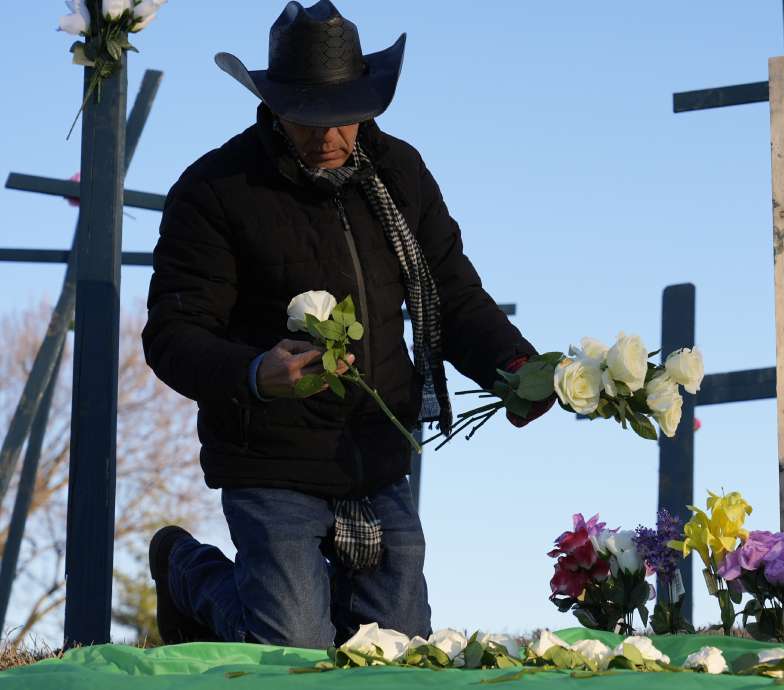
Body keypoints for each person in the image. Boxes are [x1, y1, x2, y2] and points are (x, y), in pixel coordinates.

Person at [141, 0, 550, 648]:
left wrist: (517, 369)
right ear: (275, 104)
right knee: (294, 654)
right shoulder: (215, 189)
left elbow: (452, 294)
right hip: (268, 456)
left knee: (395, 655)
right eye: (308, 118)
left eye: (343, 117)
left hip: (378, 456)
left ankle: (306, 597)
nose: (327, 136)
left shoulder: (401, 173)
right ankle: (186, 570)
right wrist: (253, 373)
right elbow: (172, 334)